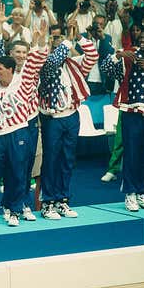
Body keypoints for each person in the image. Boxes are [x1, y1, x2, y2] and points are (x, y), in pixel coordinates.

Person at [0, 27, 48, 227]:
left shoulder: (22, 82)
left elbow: (33, 64)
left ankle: (15, 210)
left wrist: (37, 43)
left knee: (18, 173)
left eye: (0, 69)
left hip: (19, 132)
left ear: (10, 70)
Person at [100, 30, 144, 212]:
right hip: (130, 111)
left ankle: (142, 192)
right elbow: (106, 69)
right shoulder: (130, 57)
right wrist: (117, 55)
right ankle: (130, 193)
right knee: (131, 153)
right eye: (141, 39)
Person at [38, 23, 98, 220]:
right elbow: (54, 60)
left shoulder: (73, 63)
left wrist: (79, 37)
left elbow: (93, 55)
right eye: (56, 48)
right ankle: (47, 202)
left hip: (72, 116)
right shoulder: (46, 66)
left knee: (68, 160)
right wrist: (66, 41)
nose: (60, 51)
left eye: (62, 48)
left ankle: (62, 200)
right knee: (51, 160)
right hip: (52, 119)